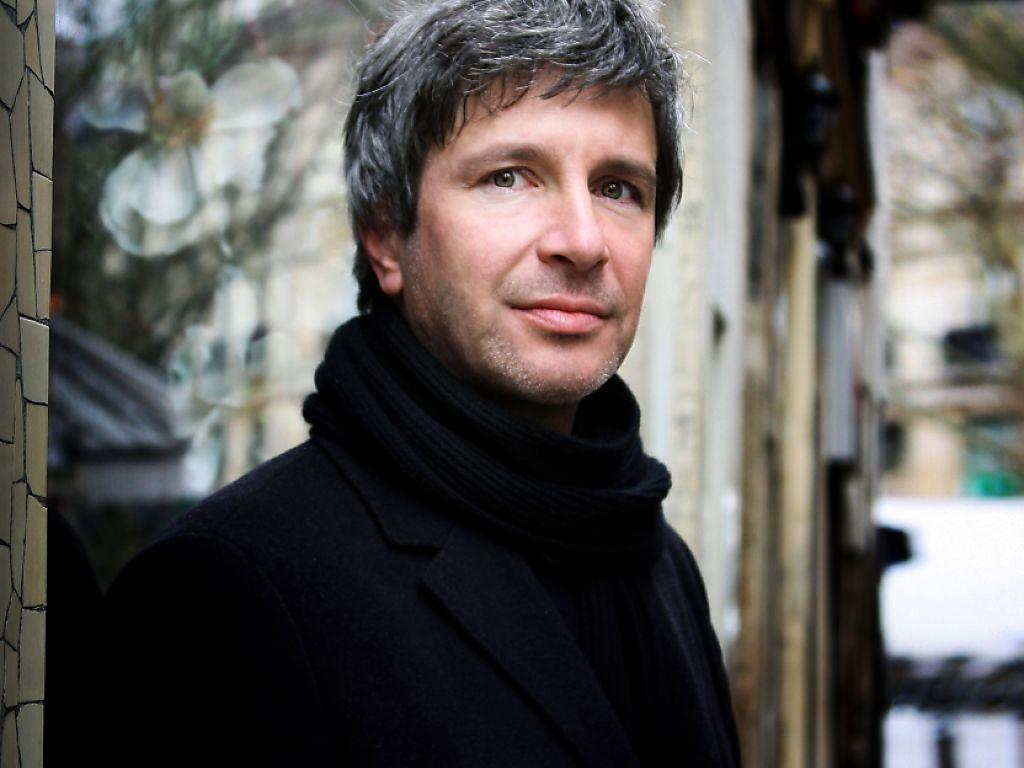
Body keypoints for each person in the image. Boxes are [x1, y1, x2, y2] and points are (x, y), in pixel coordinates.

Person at [94, 0, 741, 766]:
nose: (582, 241)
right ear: (384, 238)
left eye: (618, 188)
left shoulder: (663, 566)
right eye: (510, 177)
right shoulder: (230, 589)